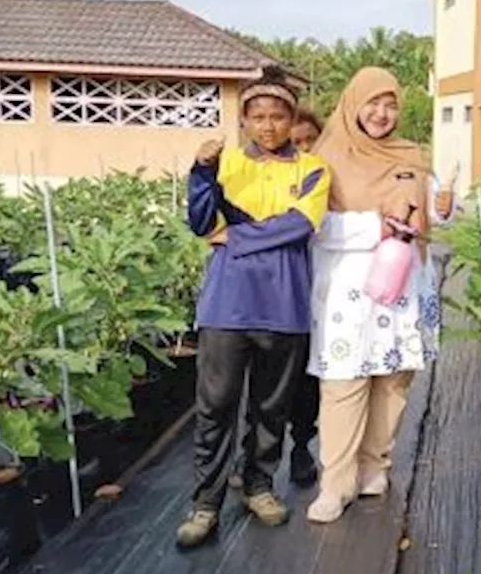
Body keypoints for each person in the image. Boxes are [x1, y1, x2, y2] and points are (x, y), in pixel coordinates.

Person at [175, 66, 332, 548]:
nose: (268, 126)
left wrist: (235, 237)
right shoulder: (225, 166)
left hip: (283, 303)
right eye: (257, 117)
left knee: (271, 407)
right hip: (227, 303)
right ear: (244, 122)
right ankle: (205, 504)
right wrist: (200, 174)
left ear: (291, 121)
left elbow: (299, 225)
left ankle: (259, 487)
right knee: (215, 406)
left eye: (277, 117)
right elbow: (201, 222)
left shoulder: (313, 170)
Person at [305, 67, 441, 524]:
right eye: (373, 103)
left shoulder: (410, 154)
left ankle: (374, 466)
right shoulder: (327, 157)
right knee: (345, 381)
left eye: (391, 105)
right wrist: (375, 226)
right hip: (350, 288)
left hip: (405, 283)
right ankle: (335, 484)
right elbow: (317, 225)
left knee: (394, 377)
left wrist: (445, 206)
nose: (382, 114)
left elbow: (434, 206)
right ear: (352, 104)